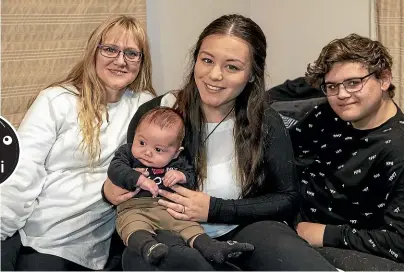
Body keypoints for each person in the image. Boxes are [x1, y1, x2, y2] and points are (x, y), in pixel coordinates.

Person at [103, 14, 337, 271]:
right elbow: (128, 170)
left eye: (232, 67)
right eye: (207, 60)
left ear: (251, 75)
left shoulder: (265, 121)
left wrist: (216, 209)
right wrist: (111, 189)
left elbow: (287, 198)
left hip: (242, 227)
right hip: (167, 228)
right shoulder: (157, 113)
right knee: (149, 258)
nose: (214, 75)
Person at [0, 15, 155, 271]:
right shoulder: (57, 100)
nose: (120, 60)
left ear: (142, 62)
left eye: (131, 53)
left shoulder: (144, 106)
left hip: (95, 243)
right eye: (110, 49)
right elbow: (21, 173)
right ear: (93, 51)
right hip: (38, 234)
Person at [291, 33, 404, 270]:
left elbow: (399, 242)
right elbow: (282, 150)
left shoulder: (397, 150)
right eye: (332, 86)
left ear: (384, 79)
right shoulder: (326, 115)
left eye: (354, 82)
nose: (341, 95)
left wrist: (325, 235)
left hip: (332, 244)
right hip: (287, 214)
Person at [108, 106, 254, 266]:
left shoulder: (178, 162)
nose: (147, 152)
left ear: (176, 152)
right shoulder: (128, 153)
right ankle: (148, 248)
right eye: (141, 142)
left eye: (158, 149)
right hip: (134, 208)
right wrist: (138, 179)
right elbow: (115, 169)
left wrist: (181, 176)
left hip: (170, 208)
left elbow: (192, 178)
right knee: (132, 226)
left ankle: (212, 248)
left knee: (189, 225)